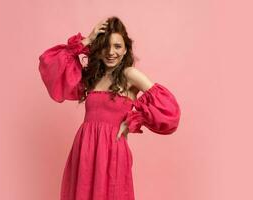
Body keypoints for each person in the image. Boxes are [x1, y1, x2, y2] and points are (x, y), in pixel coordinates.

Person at [38, 16, 181, 200]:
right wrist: (88, 39)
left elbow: (169, 110)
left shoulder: (130, 75)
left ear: (126, 49)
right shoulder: (92, 76)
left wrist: (136, 120)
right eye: (105, 46)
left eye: (117, 46)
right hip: (85, 151)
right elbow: (51, 64)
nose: (111, 52)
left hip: (112, 150)